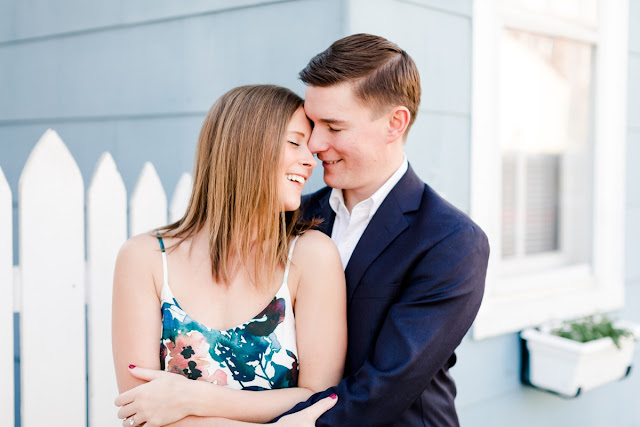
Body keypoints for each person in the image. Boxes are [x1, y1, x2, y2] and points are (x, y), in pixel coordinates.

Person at [272, 33, 490, 426]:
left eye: (334, 127)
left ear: (395, 123)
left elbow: (383, 388)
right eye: (311, 124)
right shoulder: (296, 215)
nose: (316, 144)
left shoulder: (452, 241)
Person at [112, 84, 347, 426]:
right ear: (246, 146)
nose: (310, 161)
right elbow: (140, 414)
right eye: (295, 142)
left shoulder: (311, 257)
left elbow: (318, 398)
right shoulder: (145, 259)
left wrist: (193, 397)